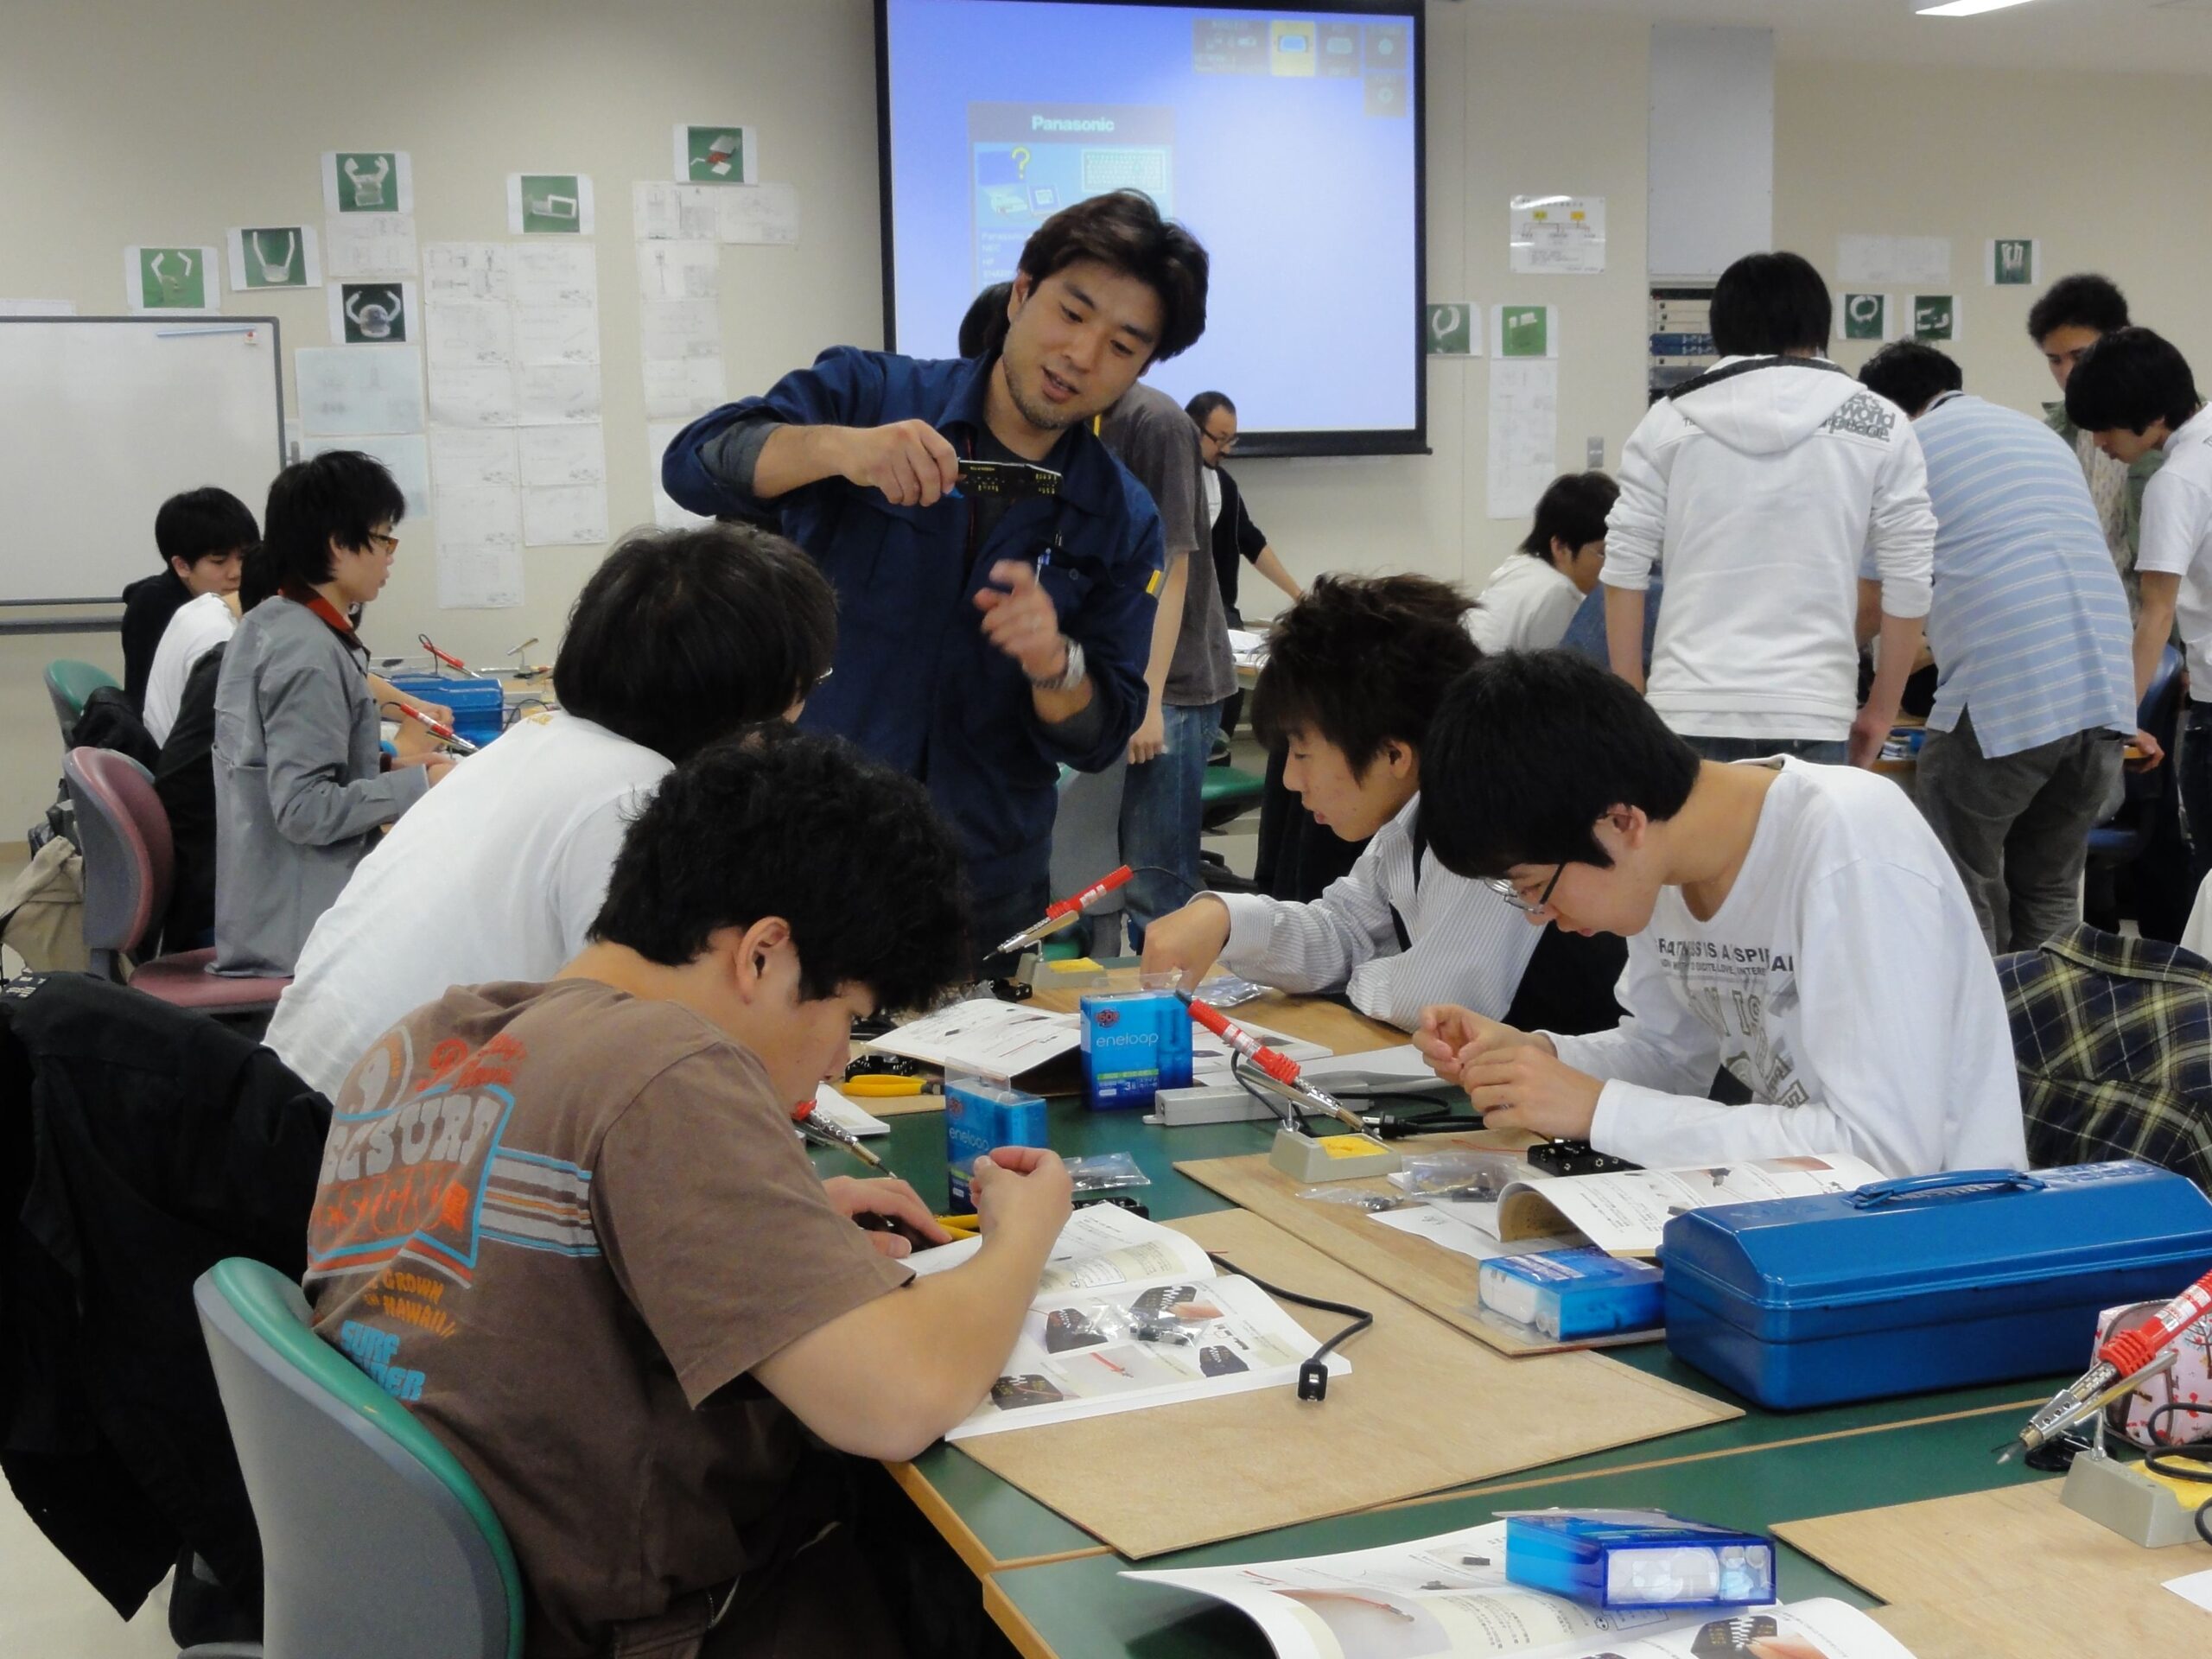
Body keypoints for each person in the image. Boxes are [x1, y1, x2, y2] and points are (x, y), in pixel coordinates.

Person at [303, 728, 1072, 1658]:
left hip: (438, 1605)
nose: (838, 1062)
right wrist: (1019, 1240)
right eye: (848, 1017)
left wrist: (772, 1232)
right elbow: (897, 1399)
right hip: (661, 1629)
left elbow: (527, 1270)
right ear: (764, 956)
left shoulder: (427, 1037)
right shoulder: (667, 1066)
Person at [663, 190, 1210, 969]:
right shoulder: (871, 395)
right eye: (1071, 313)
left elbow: (1102, 735)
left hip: (980, 887)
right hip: (797, 856)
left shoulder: (1121, 518)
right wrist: (839, 451)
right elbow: (694, 463)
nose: (1082, 356)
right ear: (1021, 294)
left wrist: (1057, 667)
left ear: (1141, 370)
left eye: (1122, 347)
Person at [265, 522, 837, 1099]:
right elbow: (651, 1060)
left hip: (290, 1097)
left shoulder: (534, 744)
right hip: (358, 1132)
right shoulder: (634, 802)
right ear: (755, 695)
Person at [1411, 652, 2028, 1177]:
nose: (1538, 915)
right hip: (1787, 1214)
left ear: (1622, 821)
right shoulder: (1662, 864)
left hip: (1937, 1233)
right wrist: (1537, 1060)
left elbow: (1885, 1151)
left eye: (1535, 887)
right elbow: (1670, 1057)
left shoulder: (1851, 848)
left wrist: (1601, 1110)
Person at [1140, 577, 1624, 1034]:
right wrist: (1226, 919)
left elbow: (1433, 1001)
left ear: (1394, 755)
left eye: (1302, 754)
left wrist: (1356, 976)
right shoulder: (1413, 813)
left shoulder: (1493, 817)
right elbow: (1346, 930)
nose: (1289, 780)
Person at [1854, 341, 2137, 952]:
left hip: (2008, 696)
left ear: (1885, 411)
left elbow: (1873, 600)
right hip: (2105, 696)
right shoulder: (2038, 437)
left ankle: (1980, 1016)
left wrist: (1831, 671)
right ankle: (2042, 1014)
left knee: (1958, 884)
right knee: (2050, 888)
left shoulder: (1905, 448)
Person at [1602, 251, 1934, 766]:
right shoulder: (1881, 423)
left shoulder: (1667, 421)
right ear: (1819, 325)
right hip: (1814, 708)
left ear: (1721, 327)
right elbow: (1909, 579)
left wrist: (1631, 700)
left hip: (1689, 706)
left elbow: (1624, 565)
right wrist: (1881, 710)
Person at [212, 451, 446, 975]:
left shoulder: (275, 622)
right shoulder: (308, 654)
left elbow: (284, 766)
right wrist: (420, 785)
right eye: (383, 539)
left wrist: (389, 768)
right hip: (300, 929)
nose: (390, 557)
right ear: (339, 544)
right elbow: (303, 809)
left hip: (275, 903)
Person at [1054, 377, 1224, 952]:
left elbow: (1173, 570)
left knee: (1157, 886)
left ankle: (1171, 1005)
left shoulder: (1158, 423)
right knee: (1090, 874)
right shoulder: (1069, 415)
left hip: (1168, 688)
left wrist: (1149, 700)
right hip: (1108, 679)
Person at [2067, 327, 2212, 880]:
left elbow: (2157, 612)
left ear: (2150, 415)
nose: (2099, 441)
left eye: (2104, 426)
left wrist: (2119, 720)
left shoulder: (2176, 482)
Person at [2029, 273, 2164, 610]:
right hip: (2083, 615)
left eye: (2079, 355)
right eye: (2055, 360)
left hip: (2164, 620)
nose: (2067, 372)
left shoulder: (2172, 422)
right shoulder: (2051, 435)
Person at [123, 486, 254, 710]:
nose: (237, 572)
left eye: (244, 557)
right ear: (182, 566)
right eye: (219, 561)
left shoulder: (245, 599)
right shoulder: (154, 608)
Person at [1185, 391, 1302, 629]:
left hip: (1218, 611)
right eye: (1220, 440)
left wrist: (1299, 596)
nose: (1227, 450)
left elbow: (1250, 540)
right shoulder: (1163, 478)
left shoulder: (1223, 484)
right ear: (1192, 430)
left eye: (1231, 440)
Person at [1469, 473, 1616, 654]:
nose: (1613, 564)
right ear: (1560, 547)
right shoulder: (1557, 591)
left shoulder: (1518, 567)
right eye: (1604, 553)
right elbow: (1554, 670)